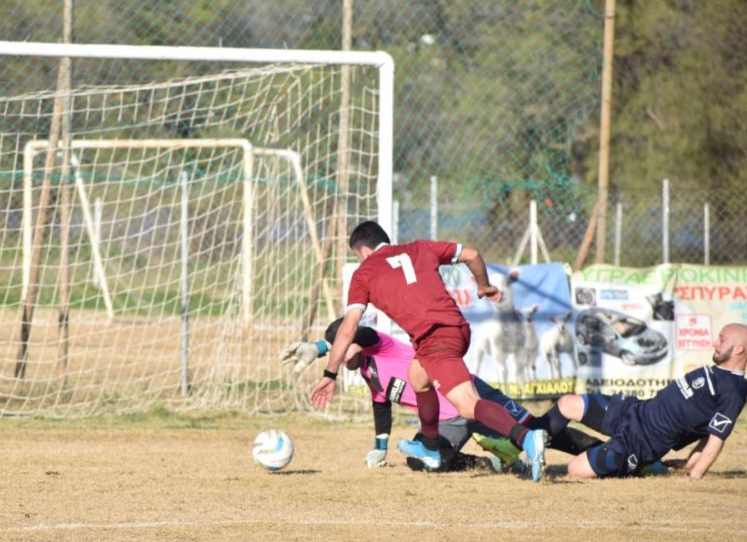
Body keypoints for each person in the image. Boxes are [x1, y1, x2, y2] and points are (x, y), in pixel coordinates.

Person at [309, 221, 549, 481]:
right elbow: (473, 255)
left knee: (468, 406)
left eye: (357, 256)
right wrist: (483, 285)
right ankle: (431, 447)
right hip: (451, 331)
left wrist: (329, 375)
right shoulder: (419, 248)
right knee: (417, 376)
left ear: (363, 251)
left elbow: (348, 328)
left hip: (437, 338)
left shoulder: (364, 272)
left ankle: (527, 439)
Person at [282, 318, 601, 472]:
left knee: (537, 430)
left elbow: (359, 332)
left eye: (340, 346)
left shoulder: (379, 343)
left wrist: (321, 347)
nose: (338, 354)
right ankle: (491, 461)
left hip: (471, 395)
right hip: (448, 421)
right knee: (419, 461)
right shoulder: (367, 372)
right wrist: (379, 449)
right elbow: (381, 407)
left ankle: (607, 454)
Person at [536, 322, 747, 480]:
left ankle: (639, 465)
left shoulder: (734, 391)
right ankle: (525, 443)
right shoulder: (717, 372)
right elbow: (704, 432)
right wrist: (689, 462)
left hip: (642, 442)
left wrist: (695, 474)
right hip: (633, 410)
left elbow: (715, 438)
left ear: (738, 349)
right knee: (566, 404)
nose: (714, 343)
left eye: (722, 339)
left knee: (575, 470)